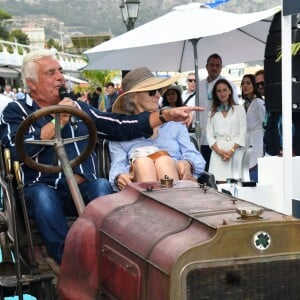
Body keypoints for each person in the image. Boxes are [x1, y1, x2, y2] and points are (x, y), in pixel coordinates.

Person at [0, 50, 202, 264]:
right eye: (51, 73)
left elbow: (119, 126)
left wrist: (165, 115)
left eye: (60, 71)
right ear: (32, 83)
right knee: (43, 196)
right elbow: (16, 149)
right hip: (41, 191)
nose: (60, 76)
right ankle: (69, 261)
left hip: (82, 188)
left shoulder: (80, 107)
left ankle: (108, 256)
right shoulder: (16, 110)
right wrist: (58, 121)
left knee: (102, 186)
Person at [109, 67, 206, 191]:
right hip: (137, 181)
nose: (158, 95)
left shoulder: (174, 123)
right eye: (152, 91)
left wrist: (188, 164)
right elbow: (117, 165)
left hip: (177, 178)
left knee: (164, 161)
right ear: (133, 97)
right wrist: (119, 177)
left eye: (159, 90)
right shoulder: (120, 130)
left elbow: (195, 157)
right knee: (144, 163)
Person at [198, 53, 239, 171]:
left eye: (217, 65)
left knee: (219, 170)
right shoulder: (200, 85)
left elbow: (234, 109)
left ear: (221, 67)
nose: (214, 68)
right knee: (204, 169)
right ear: (206, 67)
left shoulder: (228, 85)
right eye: (211, 65)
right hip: (203, 136)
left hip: (221, 137)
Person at [206, 78, 246, 182]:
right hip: (217, 152)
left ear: (230, 91)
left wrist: (232, 150)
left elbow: (243, 131)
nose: (222, 93)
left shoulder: (239, 109)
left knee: (235, 184)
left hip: (235, 150)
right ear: (215, 94)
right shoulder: (212, 112)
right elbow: (209, 134)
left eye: (224, 90)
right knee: (218, 184)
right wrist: (219, 151)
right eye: (219, 91)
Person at [241, 74, 265, 182]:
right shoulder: (244, 104)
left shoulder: (259, 103)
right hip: (247, 143)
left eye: (248, 83)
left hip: (257, 141)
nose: (244, 86)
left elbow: (266, 123)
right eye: (243, 83)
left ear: (254, 85)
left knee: (256, 173)